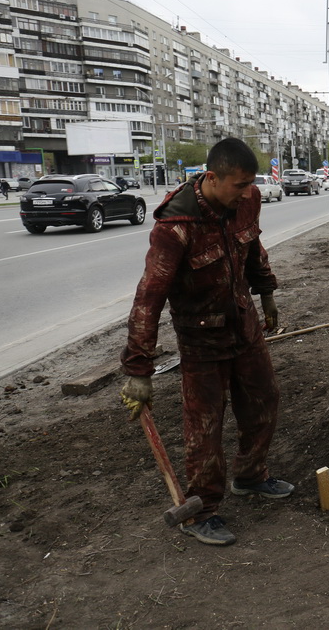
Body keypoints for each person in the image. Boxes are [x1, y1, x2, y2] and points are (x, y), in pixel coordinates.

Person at [119, 137, 292, 547]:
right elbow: (149, 296)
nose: (248, 192)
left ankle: (250, 477)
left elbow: (253, 248)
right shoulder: (175, 227)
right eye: (239, 184)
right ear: (212, 178)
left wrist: (266, 293)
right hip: (201, 340)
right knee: (204, 427)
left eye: (251, 183)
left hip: (244, 326)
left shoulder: (245, 202)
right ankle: (203, 510)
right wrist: (138, 369)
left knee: (264, 400)